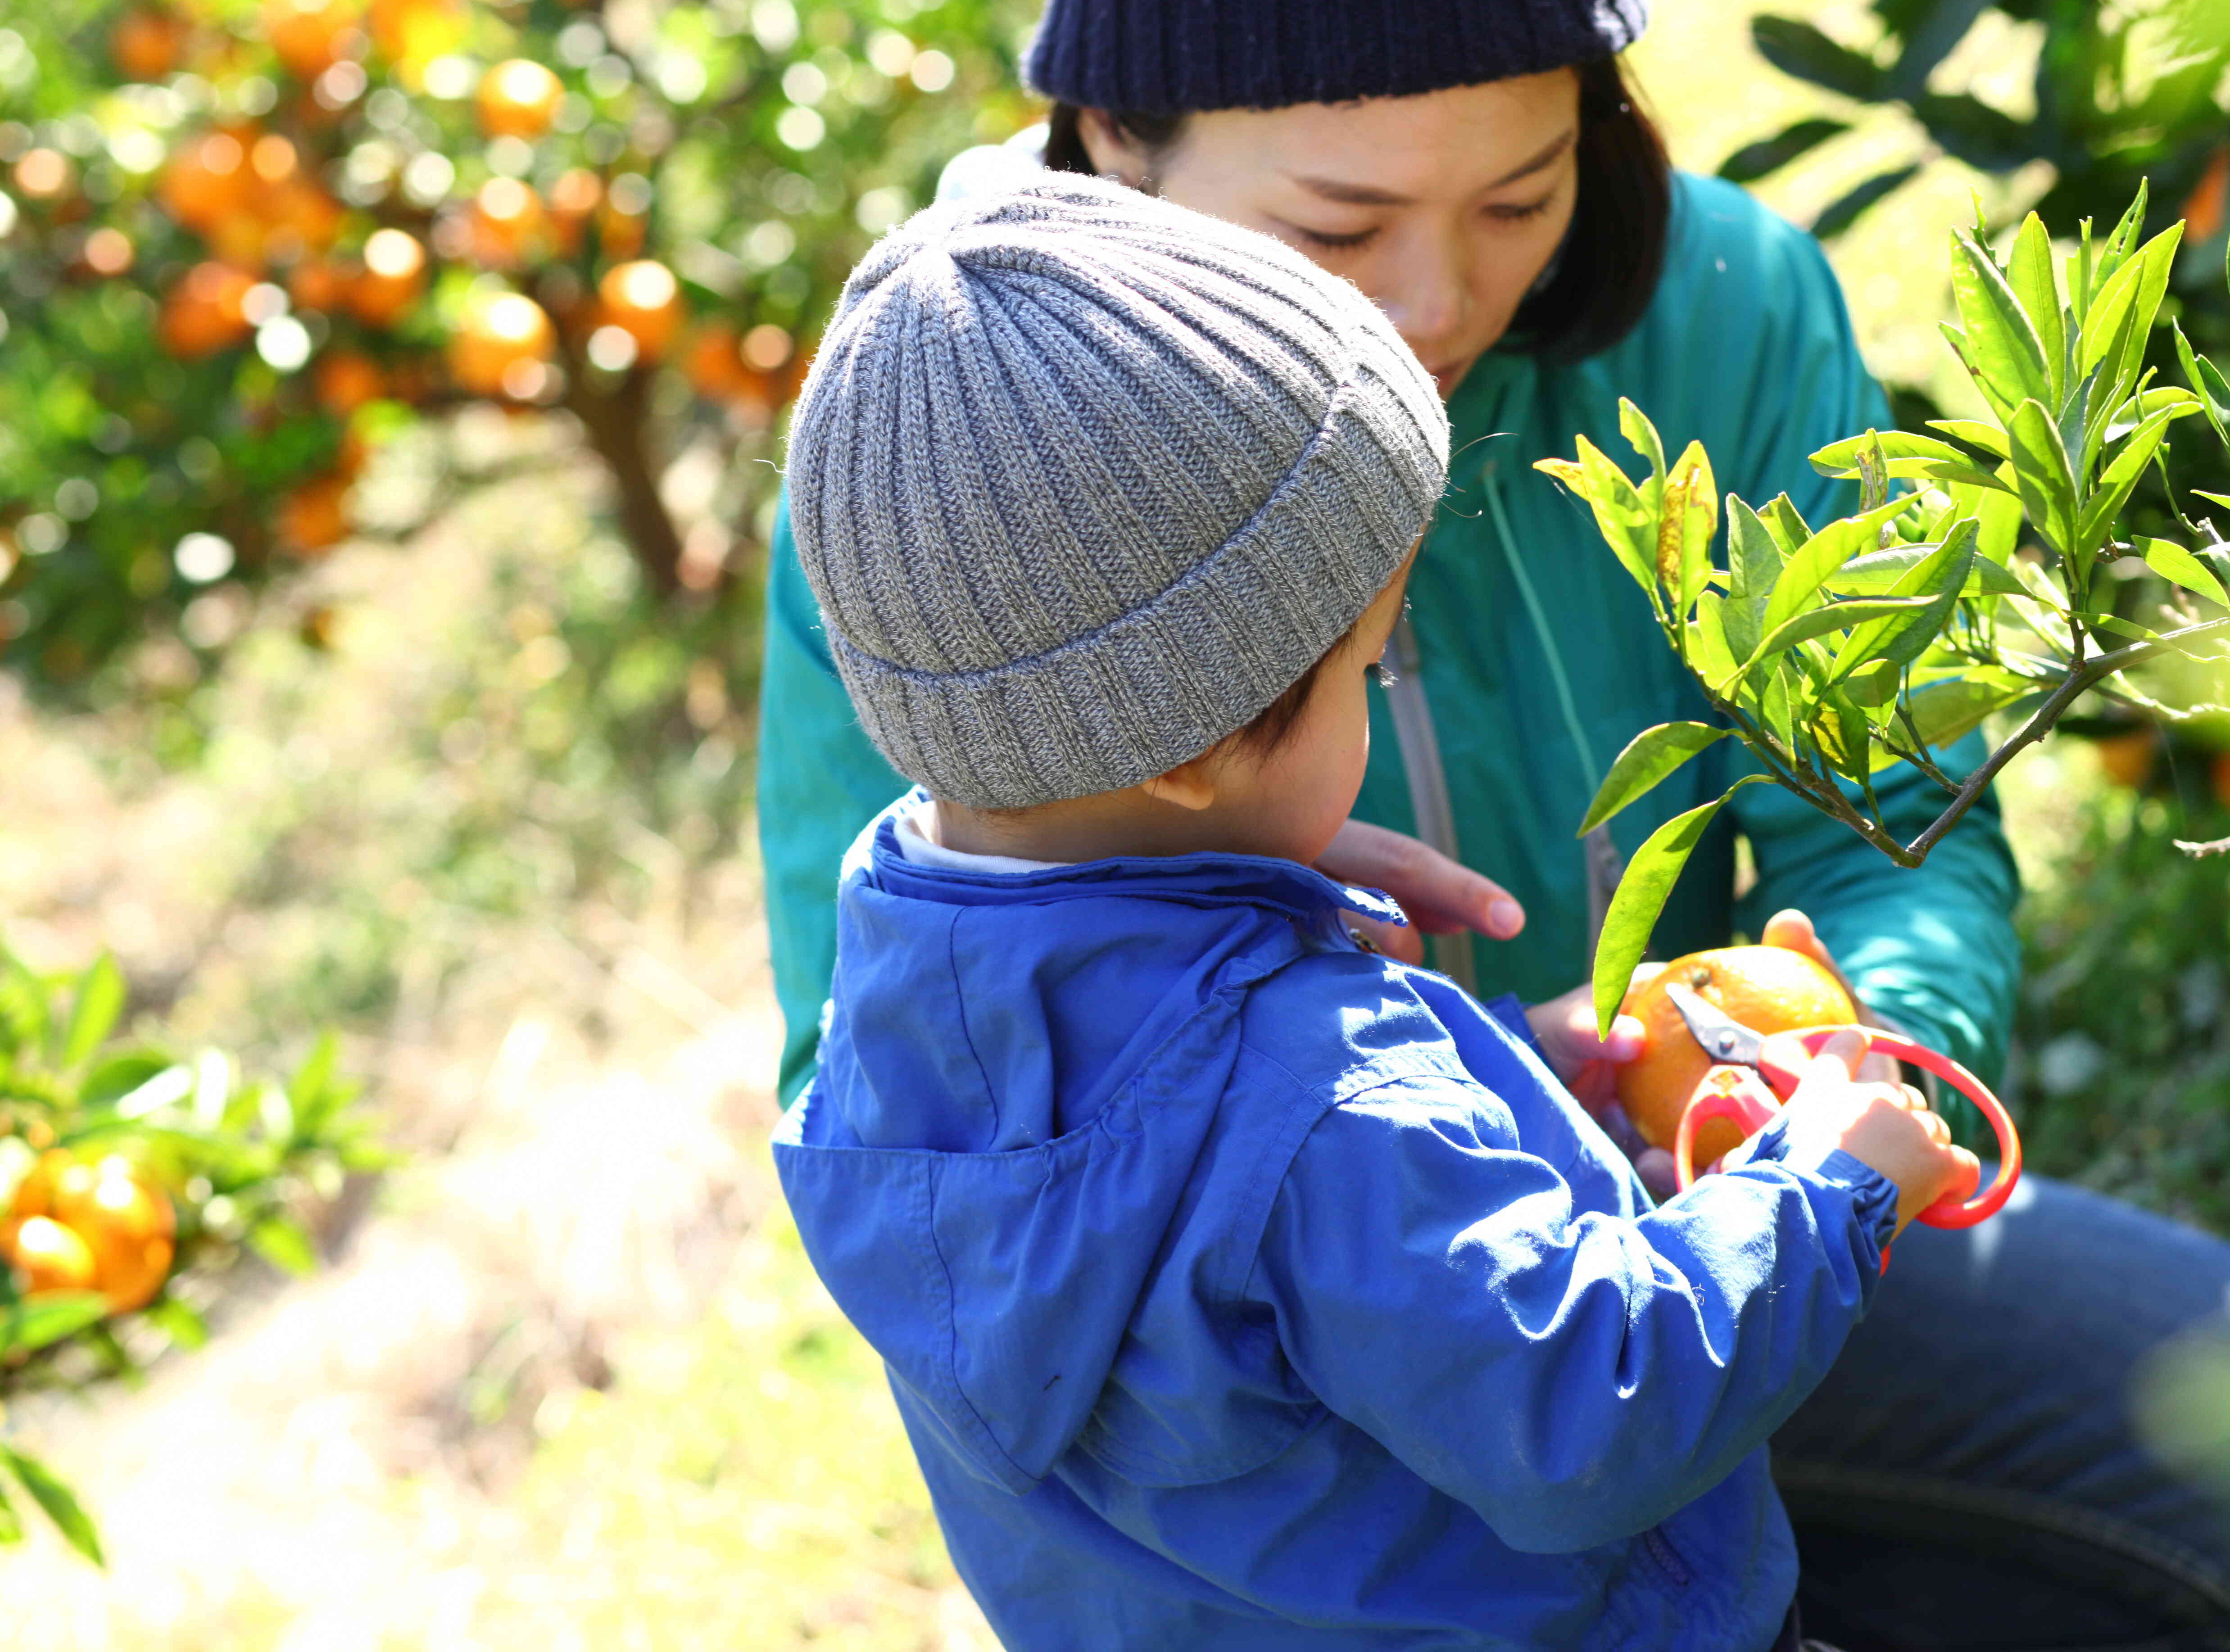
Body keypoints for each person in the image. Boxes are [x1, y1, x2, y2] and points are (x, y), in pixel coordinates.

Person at [757, 0, 2230, 1643]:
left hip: (1666, 1227)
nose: (1440, 302)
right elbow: (1557, 1382)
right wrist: (1386, 1066)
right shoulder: (955, 506)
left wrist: (1764, 1089)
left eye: (1521, 197)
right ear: (1115, 143)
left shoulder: (1720, 315)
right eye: (1342, 227)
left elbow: (963, 1031)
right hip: (1561, 1356)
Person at [775, 170, 1985, 1652]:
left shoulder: (893, 992)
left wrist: (1495, 1076)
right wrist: (1826, 1179)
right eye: (1364, 661)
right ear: (1195, 751)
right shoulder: (1328, 1102)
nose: (1372, 680)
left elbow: (1206, 1243)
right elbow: (1593, 1408)